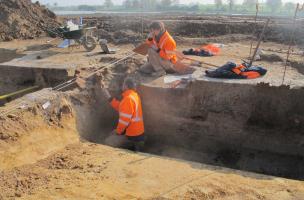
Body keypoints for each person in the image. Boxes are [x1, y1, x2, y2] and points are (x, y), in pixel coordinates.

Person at [100, 78, 145, 151]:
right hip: (139, 136)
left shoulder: (128, 99)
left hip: (132, 138)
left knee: (108, 141)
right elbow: (121, 107)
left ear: (126, 86)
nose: (122, 85)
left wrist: (117, 132)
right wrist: (108, 96)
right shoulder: (134, 96)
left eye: (123, 84)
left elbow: (124, 121)